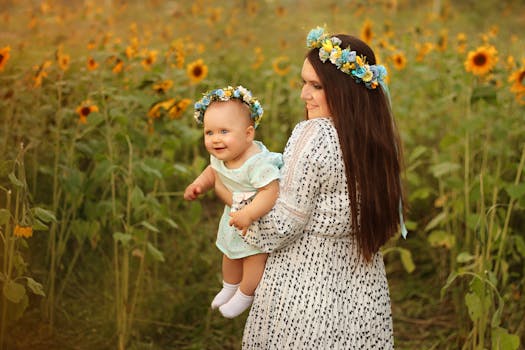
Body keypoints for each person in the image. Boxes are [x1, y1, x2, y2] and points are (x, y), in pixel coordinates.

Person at [222, 27, 407, 348]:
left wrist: (236, 201)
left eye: (316, 86)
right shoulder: (376, 136)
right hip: (363, 293)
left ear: (344, 90)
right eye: (304, 83)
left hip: (305, 290)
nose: (303, 95)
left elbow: (283, 224)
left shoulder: (314, 135)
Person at [183, 85, 283, 319]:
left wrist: (249, 214)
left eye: (224, 132)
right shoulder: (221, 155)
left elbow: (271, 190)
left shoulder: (257, 163)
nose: (216, 139)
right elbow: (212, 171)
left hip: (256, 221)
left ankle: (245, 294)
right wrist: (198, 185)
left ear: (248, 134)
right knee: (229, 254)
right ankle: (229, 287)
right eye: (209, 133)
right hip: (233, 218)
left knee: (253, 258)